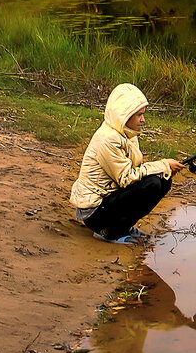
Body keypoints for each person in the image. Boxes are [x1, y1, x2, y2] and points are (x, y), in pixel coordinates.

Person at [70, 83, 184, 244]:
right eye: (138, 115)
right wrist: (163, 165)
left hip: (108, 200)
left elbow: (136, 172)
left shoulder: (127, 134)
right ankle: (108, 231)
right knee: (152, 184)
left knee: (164, 181)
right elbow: (126, 178)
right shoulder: (108, 139)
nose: (143, 120)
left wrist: (164, 170)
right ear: (124, 115)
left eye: (143, 114)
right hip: (94, 212)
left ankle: (123, 227)